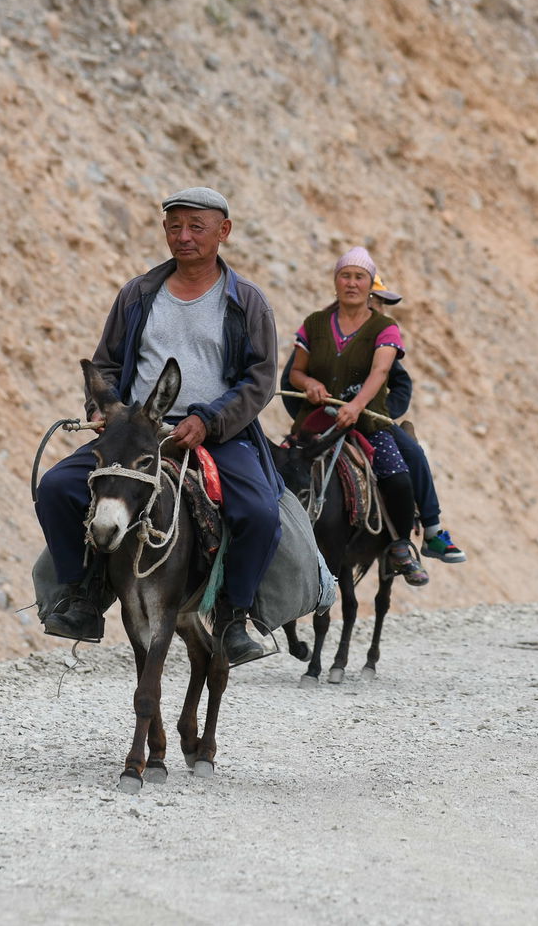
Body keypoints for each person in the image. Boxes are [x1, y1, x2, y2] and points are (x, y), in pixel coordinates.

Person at [34, 186, 279, 666]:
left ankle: (233, 619)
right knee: (58, 487)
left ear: (223, 232)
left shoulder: (247, 301)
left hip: (217, 432)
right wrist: (103, 407)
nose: (183, 236)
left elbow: (261, 379)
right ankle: (81, 596)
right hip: (137, 429)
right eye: (174, 226)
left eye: (196, 226)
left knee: (260, 514)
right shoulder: (139, 293)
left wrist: (209, 419)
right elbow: (105, 364)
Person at [280, 274, 466, 564]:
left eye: (380, 303)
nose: (379, 308)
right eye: (378, 301)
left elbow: (400, 385)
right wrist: (306, 414)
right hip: (321, 421)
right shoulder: (320, 331)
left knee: (413, 455)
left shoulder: (382, 337)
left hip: (370, 421)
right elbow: (292, 380)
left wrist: (379, 414)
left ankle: (430, 530)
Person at [288, 247, 429, 586]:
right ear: (335, 282)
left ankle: (400, 545)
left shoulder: (386, 327)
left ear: (369, 286)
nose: (351, 283)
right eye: (345, 275)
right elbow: (294, 373)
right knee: (282, 466)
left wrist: (358, 406)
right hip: (319, 418)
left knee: (397, 476)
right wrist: (309, 384)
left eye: (359, 277)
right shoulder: (314, 324)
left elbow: (382, 373)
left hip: (367, 419)